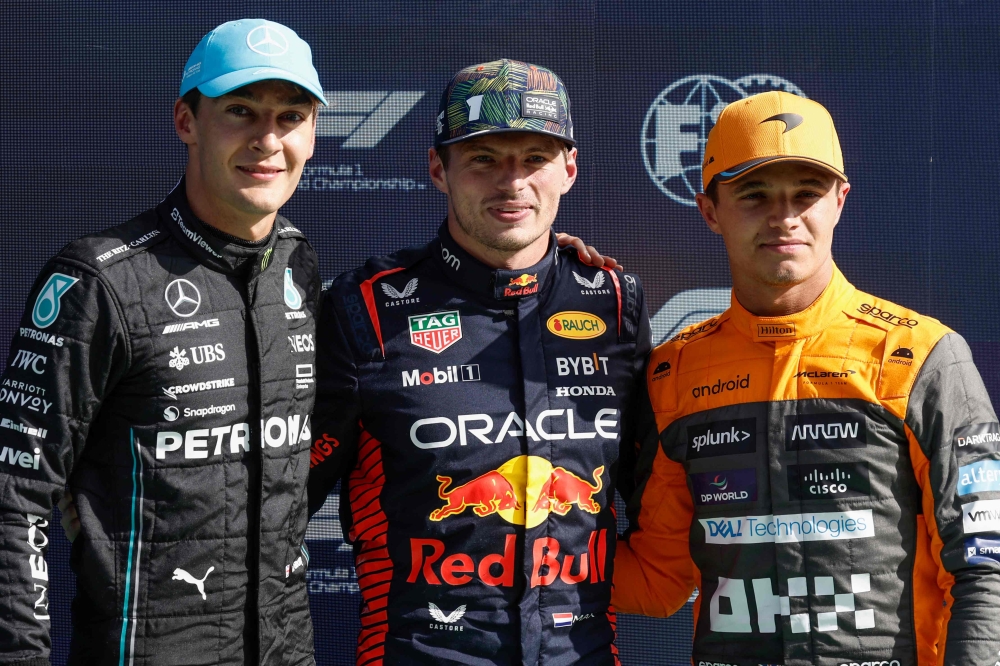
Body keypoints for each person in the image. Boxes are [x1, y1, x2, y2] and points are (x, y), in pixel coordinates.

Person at [613, 90, 1000, 665]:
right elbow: (657, 581)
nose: (784, 216)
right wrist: (506, 548)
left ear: (840, 200)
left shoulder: (921, 354)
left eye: (806, 193)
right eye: (754, 194)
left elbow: (984, 565)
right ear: (710, 210)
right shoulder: (675, 374)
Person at [0, 19, 327, 665]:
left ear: (313, 133)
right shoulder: (99, 279)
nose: (268, 141)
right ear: (187, 121)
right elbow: (14, 497)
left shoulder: (297, 263)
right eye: (240, 112)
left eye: (290, 117)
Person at [307, 58, 649, 665]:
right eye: (484, 159)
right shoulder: (366, 307)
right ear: (440, 169)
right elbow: (282, 500)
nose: (511, 182)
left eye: (535, 158)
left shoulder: (615, 299)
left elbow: (662, 501)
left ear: (569, 170)